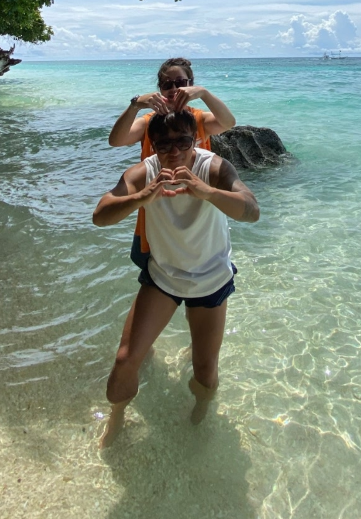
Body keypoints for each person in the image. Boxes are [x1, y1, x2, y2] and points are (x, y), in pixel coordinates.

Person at [93, 110, 259, 447]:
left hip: (210, 281)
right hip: (163, 278)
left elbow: (251, 210)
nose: (174, 151)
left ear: (195, 140)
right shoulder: (143, 173)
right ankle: (118, 415)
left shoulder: (213, 167)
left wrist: (206, 191)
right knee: (125, 360)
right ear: (152, 146)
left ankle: (201, 410)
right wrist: (141, 197)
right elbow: (100, 216)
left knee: (204, 370)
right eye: (164, 144)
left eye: (183, 141)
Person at [108, 58, 237, 269]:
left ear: (190, 84)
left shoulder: (198, 119)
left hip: (197, 212)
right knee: (154, 272)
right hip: (157, 210)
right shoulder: (150, 121)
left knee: (201, 271)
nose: (174, 89)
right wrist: (135, 105)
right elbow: (116, 140)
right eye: (167, 84)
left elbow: (228, 123)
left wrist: (203, 93)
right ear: (159, 89)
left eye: (181, 83)